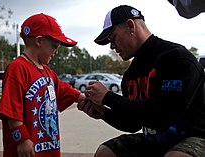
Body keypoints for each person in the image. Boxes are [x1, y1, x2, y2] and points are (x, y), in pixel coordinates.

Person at [77, 5, 205, 157]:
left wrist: (108, 97)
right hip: (154, 140)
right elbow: (133, 124)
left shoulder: (176, 58)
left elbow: (165, 114)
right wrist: (104, 113)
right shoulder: (130, 75)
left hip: (195, 137)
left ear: (131, 26)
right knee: (106, 152)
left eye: (113, 38)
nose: (112, 46)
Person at [0, 13, 86, 157]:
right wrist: (22, 139)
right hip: (28, 149)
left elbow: (62, 89)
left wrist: (83, 98)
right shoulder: (18, 68)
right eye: (54, 47)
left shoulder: (47, 71)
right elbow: (12, 109)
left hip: (48, 146)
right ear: (39, 41)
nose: (55, 52)